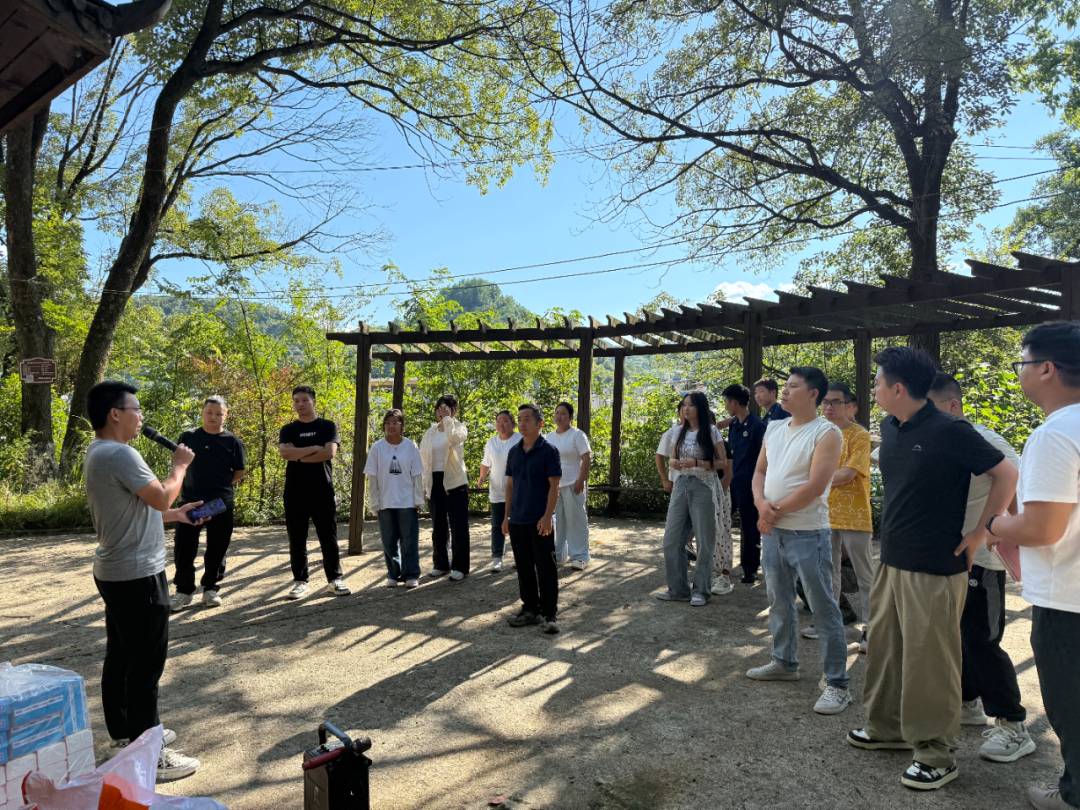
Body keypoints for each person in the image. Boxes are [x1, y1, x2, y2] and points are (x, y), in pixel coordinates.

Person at [848, 347, 1016, 791]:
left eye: (878, 382)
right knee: (885, 649)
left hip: (937, 567)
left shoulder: (949, 429)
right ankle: (886, 728)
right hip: (893, 560)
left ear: (898, 388)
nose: (874, 389)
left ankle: (936, 754)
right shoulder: (890, 427)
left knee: (931, 663)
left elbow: (1006, 474)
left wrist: (981, 531)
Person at [976, 321, 1080, 810]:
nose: (1019, 372)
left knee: (1070, 700)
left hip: (1067, 596)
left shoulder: (1055, 432)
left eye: (1022, 363)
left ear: (1046, 368)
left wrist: (995, 523)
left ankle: (1073, 795)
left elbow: (1041, 528)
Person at [83, 380, 203, 781]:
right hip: (138, 574)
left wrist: (175, 515)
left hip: (116, 570)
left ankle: (125, 732)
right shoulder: (120, 453)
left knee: (122, 655)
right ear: (115, 413)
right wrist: (180, 466)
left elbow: (141, 507)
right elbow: (162, 495)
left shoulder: (99, 451)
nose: (140, 417)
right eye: (135, 410)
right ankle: (149, 752)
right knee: (146, 666)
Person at [928, 372, 1034, 763]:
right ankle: (968, 701)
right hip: (950, 555)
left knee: (981, 639)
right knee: (956, 635)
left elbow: (1017, 486)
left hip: (983, 559)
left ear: (952, 405)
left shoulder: (986, 440)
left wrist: (997, 533)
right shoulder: (938, 438)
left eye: (930, 408)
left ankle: (1013, 723)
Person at [745, 367, 850, 715]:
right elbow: (760, 471)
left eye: (793, 386)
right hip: (773, 531)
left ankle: (837, 683)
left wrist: (771, 513)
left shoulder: (827, 432)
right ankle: (784, 662)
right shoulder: (774, 427)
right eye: (786, 386)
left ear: (813, 394)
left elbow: (817, 485)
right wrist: (761, 504)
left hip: (808, 532)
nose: (785, 391)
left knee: (822, 607)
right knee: (778, 599)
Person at [800, 383, 874, 654]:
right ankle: (827, 623)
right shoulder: (818, 433)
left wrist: (814, 480)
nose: (829, 407)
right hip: (823, 512)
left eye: (835, 402)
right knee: (826, 572)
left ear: (849, 406)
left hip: (855, 515)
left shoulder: (859, 435)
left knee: (865, 574)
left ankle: (872, 629)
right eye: (825, 402)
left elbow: (848, 475)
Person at [169, 395, 246, 612]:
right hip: (191, 503)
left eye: (218, 413)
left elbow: (238, 472)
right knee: (185, 547)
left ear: (225, 415)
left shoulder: (232, 441)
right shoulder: (188, 436)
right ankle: (184, 590)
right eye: (209, 413)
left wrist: (219, 488)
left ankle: (210, 588)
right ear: (202, 413)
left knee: (217, 547)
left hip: (219, 503)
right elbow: (179, 465)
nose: (213, 417)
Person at [278, 385, 350, 599]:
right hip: (295, 491)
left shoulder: (327, 426)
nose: (300, 404)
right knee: (297, 538)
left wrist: (298, 455)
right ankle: (301, 581)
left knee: (328, 536)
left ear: (314, 402)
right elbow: (285, 453)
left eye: (304, 400)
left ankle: (334, 580)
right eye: (296, 401)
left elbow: (329, 453)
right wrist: (314, 448)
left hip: (322, 489)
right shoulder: (288, 429)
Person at [656, 391, 726, 607]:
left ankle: (701, 591)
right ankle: (677, 589)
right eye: (684, 405)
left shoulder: (712, 431)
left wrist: (697, 463)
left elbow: (722, 462)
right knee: (672, 539)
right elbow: (672, 458)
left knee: (704, 540)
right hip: (680, 484)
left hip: (704, 486)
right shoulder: (678, 431)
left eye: (691, 405)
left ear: (701, 408)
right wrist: (674, 463)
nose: (686, 409)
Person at [502, 403, 563, 634]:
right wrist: (506, 516)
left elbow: (554, 485)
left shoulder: (549, 450)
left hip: (539, 520)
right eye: (519, 419)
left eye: (527, 419)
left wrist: (548, 516)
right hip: (517, 519)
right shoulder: (514, 452)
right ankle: (530, 609)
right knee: (524, 567)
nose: (522, 423)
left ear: (540, 423)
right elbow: (510, 485)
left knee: (546, 567)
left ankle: (549, 614)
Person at [365, 409, 425, 589]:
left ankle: (411, 574)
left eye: (395, 422)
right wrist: (374, 501)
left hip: (407, 500)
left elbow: (417, 474)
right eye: (388, 422)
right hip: (385, 501)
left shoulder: (411, 446)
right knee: (388, 540)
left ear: (402, 425)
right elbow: (372, 477)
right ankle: (393, 574)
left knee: (409, 539)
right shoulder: (377, 448)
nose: (391, 426)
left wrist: (418, 499)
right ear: (384, 425)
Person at [420, 393, 471, 579]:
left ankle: (460, 567)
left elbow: (455, 439)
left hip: (455, 481)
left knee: (459, 526)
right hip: (435, 481)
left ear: (453, 410)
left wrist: (448, 419)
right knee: (438, 525)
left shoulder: (459, 427)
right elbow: (423, 458)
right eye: (439, 408)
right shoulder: (430, 432)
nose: (441, 411)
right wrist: (424, 486)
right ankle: (441, 564)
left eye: (446, 408)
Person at [723, 384, 766, 583]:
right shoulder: (733, 424)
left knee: (749, 526)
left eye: (726, 402)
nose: (725, 406)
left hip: (750, 485)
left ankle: (750, 568)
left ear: (734, 402)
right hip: (732, 482)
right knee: (721, 520)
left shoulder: (757, 426)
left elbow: (766, 458)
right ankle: (720, 563)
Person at [546, 402, 593, 569]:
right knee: (557, 521)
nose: (559, 416)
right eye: (557, 413)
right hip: (554, 485)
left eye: (563, 414)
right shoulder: (549, 437)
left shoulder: (577, 435)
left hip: (573, 483)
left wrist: (581, 480)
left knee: (576, 520)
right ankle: (559, 554)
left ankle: (580, 556)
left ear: (571, 417)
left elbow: (586, 458)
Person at [478, 410, 523, 572]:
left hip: (517, 491)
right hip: (497, 490)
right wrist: (482, 477)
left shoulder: (520, 439)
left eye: (505, 421)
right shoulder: (491, 442)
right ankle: (497, 558)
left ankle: (520, 557)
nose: (501, 424)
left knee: (517, 525)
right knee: (497, 525)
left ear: (513, 423)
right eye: (498, 421)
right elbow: (486, 463)